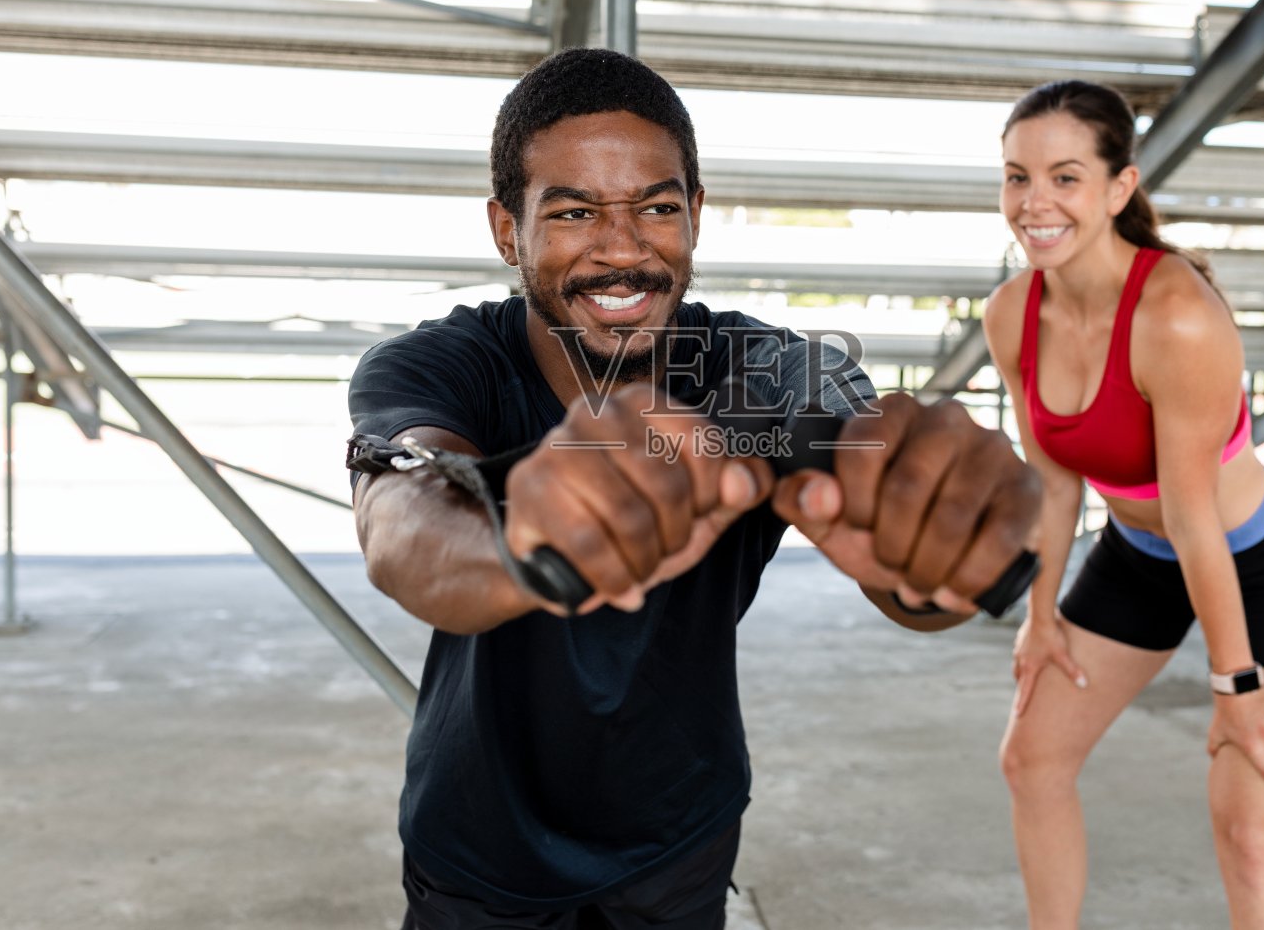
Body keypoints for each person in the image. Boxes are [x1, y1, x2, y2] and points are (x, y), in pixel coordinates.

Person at [347, 48, 1041, 929]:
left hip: (679, 839)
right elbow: (404, 523)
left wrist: (926, 532)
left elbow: (852, 452)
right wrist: (524, 537)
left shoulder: (754, 370)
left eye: (658, 207)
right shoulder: (444, 363)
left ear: (697, 214)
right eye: (573, 211)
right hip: (482, 847)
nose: (623, 249)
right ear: (506, 229)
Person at [980, 80, 1264, 929]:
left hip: (1258, 566)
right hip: (1142, 561)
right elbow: (1057, 481)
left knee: (1252, 827)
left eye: (1065, 177)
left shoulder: (1176, 314)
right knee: (1032, 757)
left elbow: (1194, 517)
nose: (1035, 203)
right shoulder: (1010, 313)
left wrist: (1237, 685)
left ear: (1119, 187)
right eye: (1016, 177)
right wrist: (1041, 615)